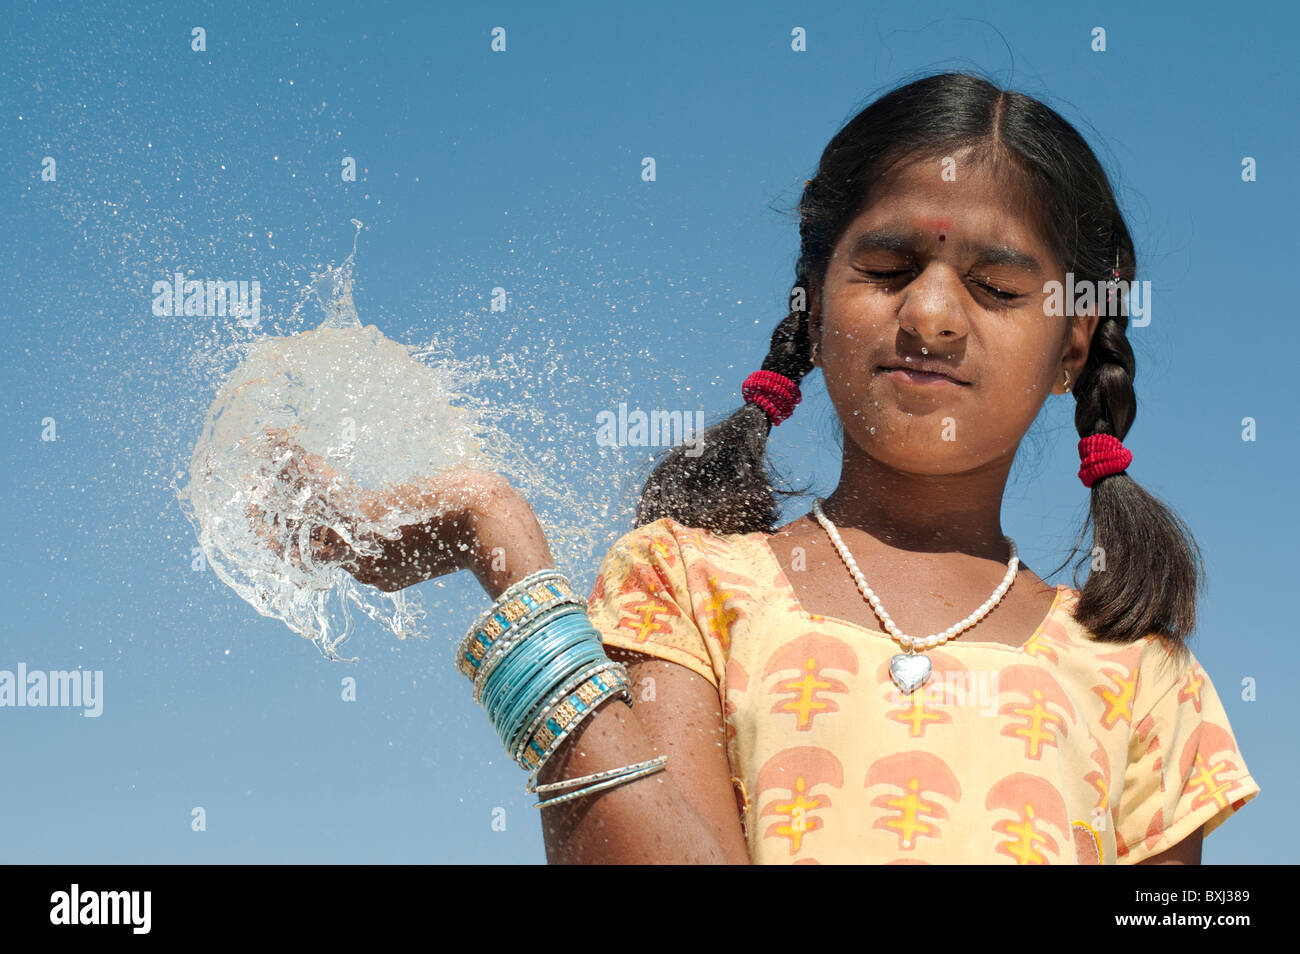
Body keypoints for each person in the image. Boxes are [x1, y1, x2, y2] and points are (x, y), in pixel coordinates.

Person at [255, 70, 1259, 864]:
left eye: (995, 287)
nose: (931, 317)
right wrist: (502, 542)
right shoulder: (687, 588)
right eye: (886, 269)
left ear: (1070, 350)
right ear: (811, 305)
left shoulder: (1140, 681)